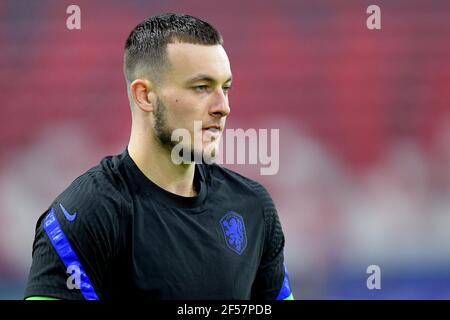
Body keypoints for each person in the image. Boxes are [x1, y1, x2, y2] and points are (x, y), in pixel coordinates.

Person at [24, 13, 293, 300]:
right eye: (202, 87)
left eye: (225, 88)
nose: (223, 107)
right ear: (145, 96)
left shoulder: (252, 207)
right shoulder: (86, 215)